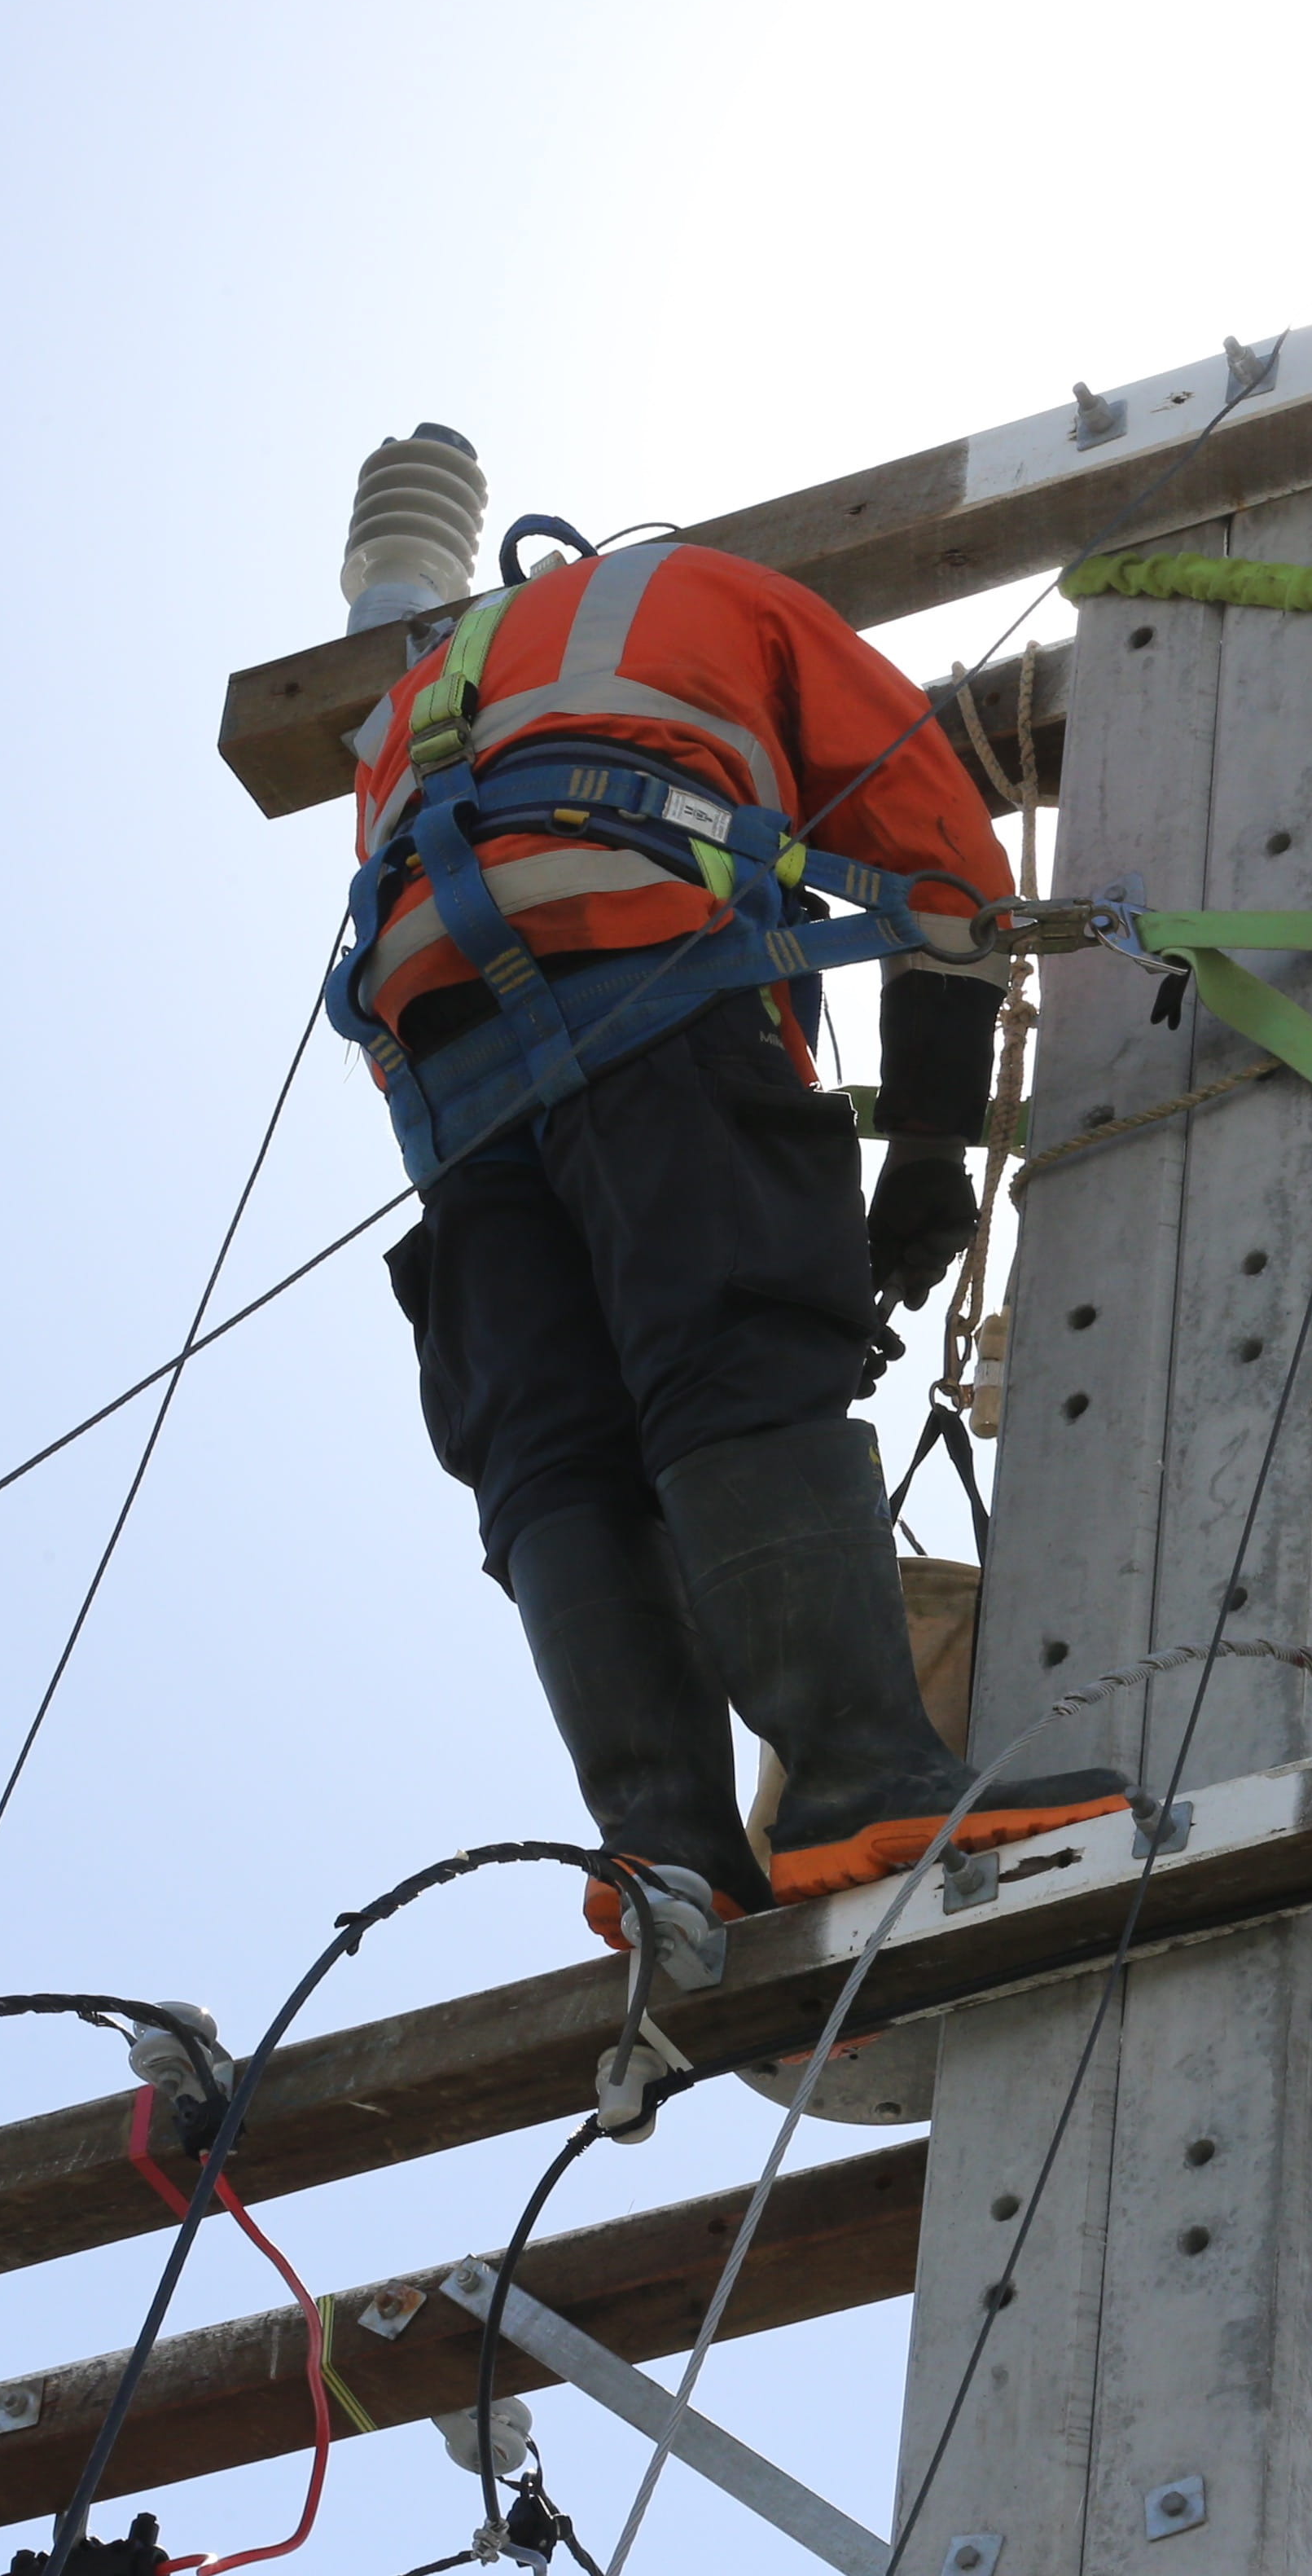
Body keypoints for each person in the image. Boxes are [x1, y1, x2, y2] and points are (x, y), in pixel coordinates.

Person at [335, 535, 1128, 1942]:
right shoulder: (723, 595)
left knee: (549, 1435)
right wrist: (935, 1149)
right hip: (645, 962)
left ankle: (661, 1846)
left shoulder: (414, 698)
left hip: (441, 1066)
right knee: (729, 1344)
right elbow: (943, 864)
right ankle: (859, 1775)